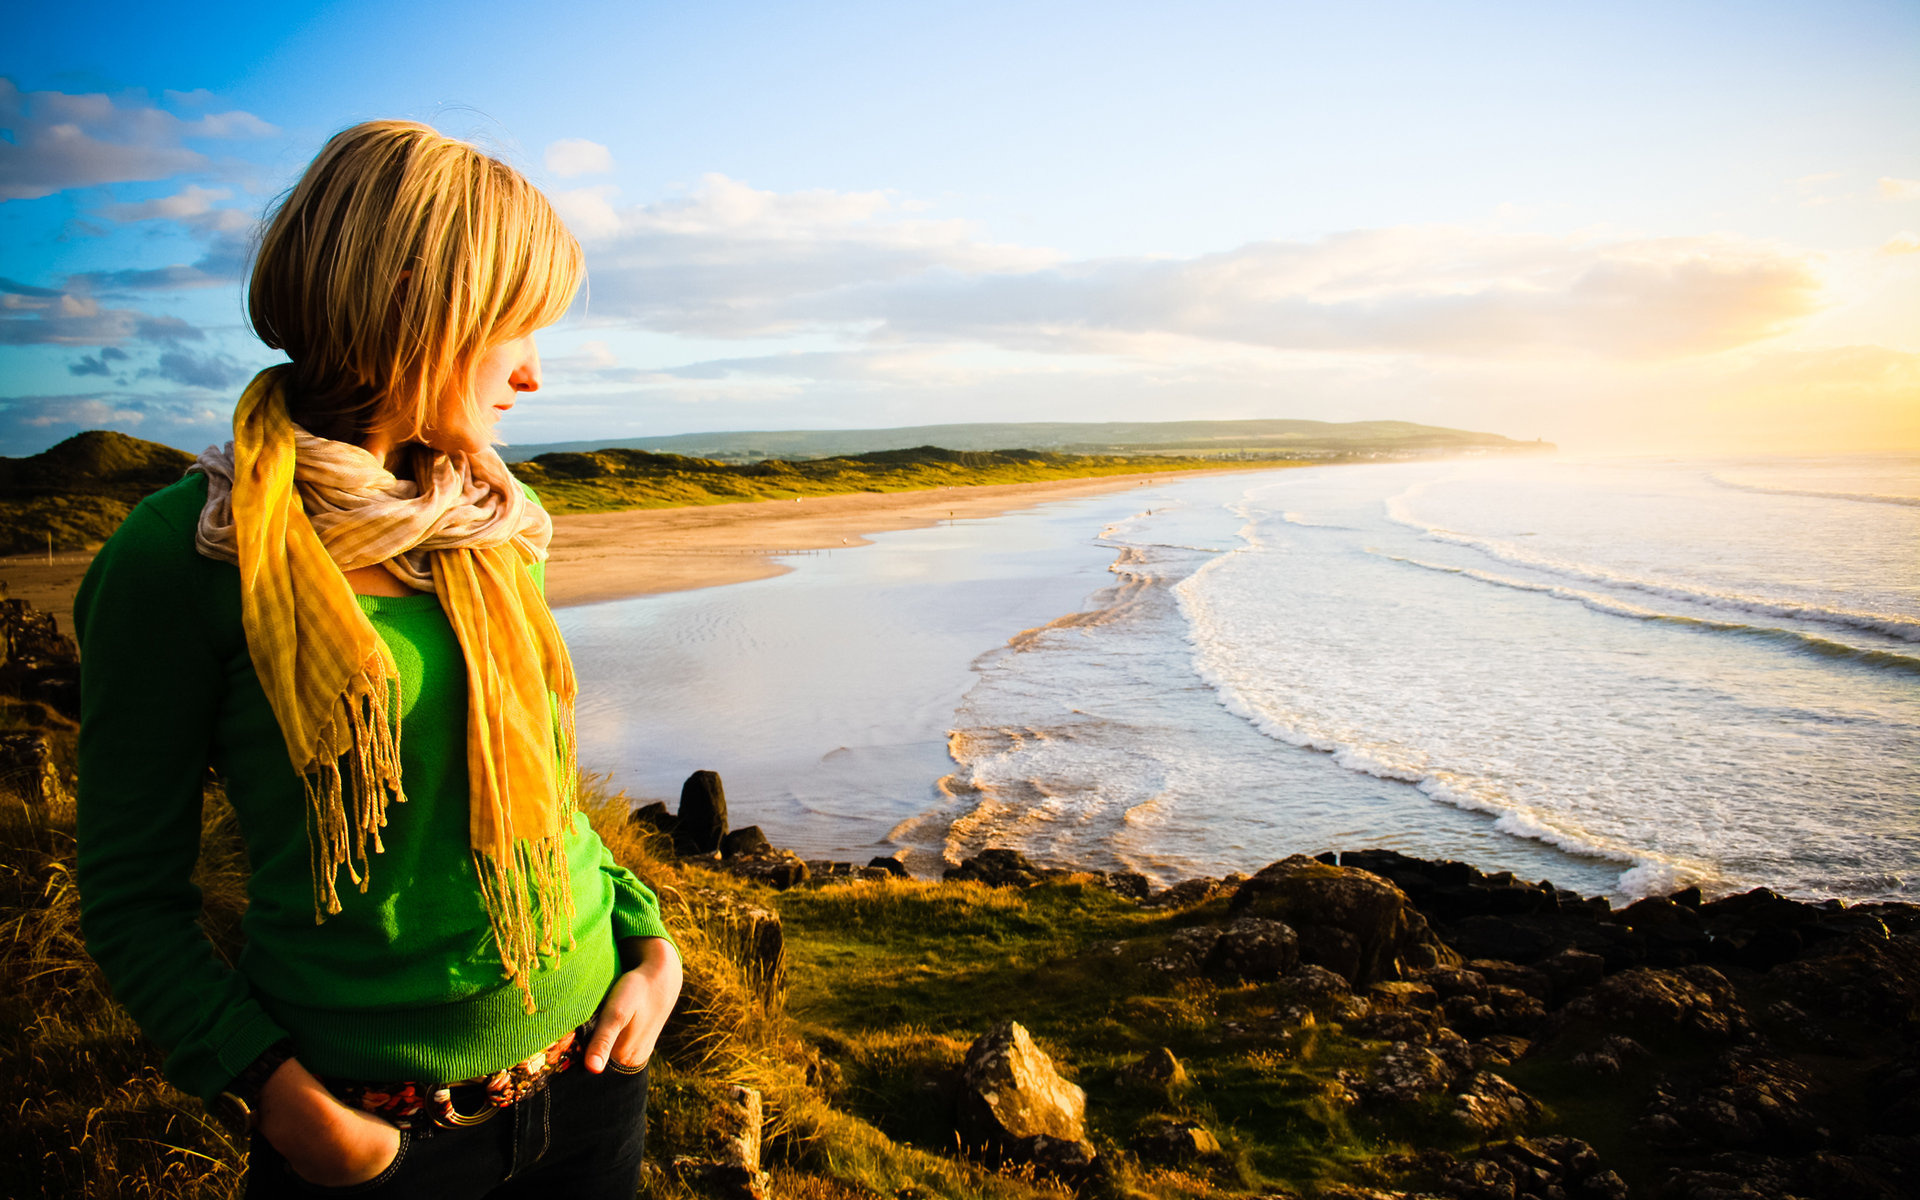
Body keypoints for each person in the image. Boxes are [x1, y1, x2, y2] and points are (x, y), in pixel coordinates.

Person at [73, 120, 683, 1198]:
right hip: (373, 1140)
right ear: (415, 300)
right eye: (515, 328)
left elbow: (544, 789)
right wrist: (279, 1096)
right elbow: (131, 898)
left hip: (591, 1079)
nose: (534, 376)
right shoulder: (178, 559)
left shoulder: (487, 529)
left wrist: (648, 946)